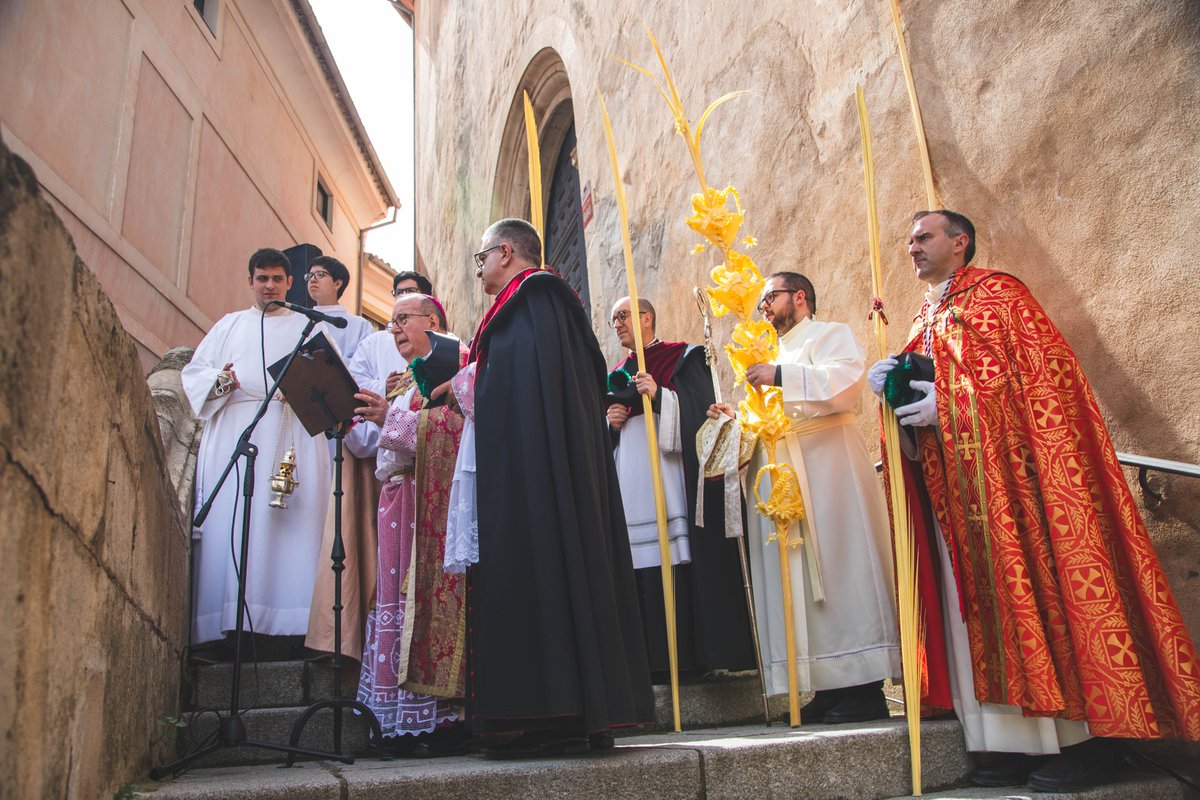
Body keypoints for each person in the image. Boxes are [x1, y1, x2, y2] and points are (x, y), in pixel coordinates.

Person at [868, 210, 1200, 791]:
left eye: (924, 237)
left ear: (959, 241)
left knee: (1047, 593)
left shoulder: (1001, 298)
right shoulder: (926, 317)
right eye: (910, 239)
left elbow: (1039, 384)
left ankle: (1085, 742)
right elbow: (929, 398)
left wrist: (949, 408)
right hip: (965, 497)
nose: (911, 247)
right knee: (984, 608)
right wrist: (893, 401)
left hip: (1022, 493)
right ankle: (1008, 742)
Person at [442, 218, 653, 758]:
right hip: (521, 464)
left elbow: (534, 384)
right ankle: (546, 715)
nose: (478, 268)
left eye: (481, 256)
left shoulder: (539, 296)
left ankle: (559, 716)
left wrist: (469, 384)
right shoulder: (519, 306)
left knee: (546, 567)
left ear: (506, 252)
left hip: (540, 469)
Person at [709, 272, 901, 723]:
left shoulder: (828, 335)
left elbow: (848, 384)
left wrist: (779, 375)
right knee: (798, 584)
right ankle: (827, 687)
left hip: (829, 476)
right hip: (784, 482)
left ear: (800, 297)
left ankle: (863, 687)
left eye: (769, 298)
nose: (763, 308)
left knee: (838, 572)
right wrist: (736, 415)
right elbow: (769, 416)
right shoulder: (769, 354)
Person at [182, 247, 335, 651]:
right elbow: (194, 375)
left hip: (295, 436)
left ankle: (293, 623)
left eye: (277, 279)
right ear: (250, 281)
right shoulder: (228, 326)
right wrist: (222, 381)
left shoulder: (310, 325)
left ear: (289, 283)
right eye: (262, 278)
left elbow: (329, 382)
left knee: (294, 530)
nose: (269, 286)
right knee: (236, 522)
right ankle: (231, 621)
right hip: (239, 432)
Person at [606, 296, 755, 680]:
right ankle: (651, 662)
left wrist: (661, 397)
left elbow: (703, 412)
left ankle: (691, 658)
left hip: (671, 476)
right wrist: (612, 422)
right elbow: (602, 440)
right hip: (631, 478)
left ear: (647, 318)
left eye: (623, 316)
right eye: (613, 319)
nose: (618, 324)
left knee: (677, 558)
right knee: (639, 565)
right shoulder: (616, 373)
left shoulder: (682, 358)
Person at [351, 292, 472, 755]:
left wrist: (392, 421)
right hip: (399, 501)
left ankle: (439, 722)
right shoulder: (404, 379)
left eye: (404, 319)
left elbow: (461, 428)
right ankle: (400, 720)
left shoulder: (455, 363)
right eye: (391, 322)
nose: (396, 329)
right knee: (396, 606)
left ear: (434, 320)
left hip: (433, 501)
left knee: (425, 606)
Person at [304, 270, 431, 662]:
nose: (400, 322)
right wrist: (387, 388)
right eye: (398, 300)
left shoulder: (447, 349)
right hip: (382, 469)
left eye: (413, 298)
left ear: (431, 311)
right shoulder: (375, 342)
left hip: (426, 477)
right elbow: (354, 388)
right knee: (381, 570)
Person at [304, 255, 376, 361]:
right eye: (310, 275)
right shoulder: (299, 320)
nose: (312, 280)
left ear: (337, 283)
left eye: (320, 275)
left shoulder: (360, 326)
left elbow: (369, 364)